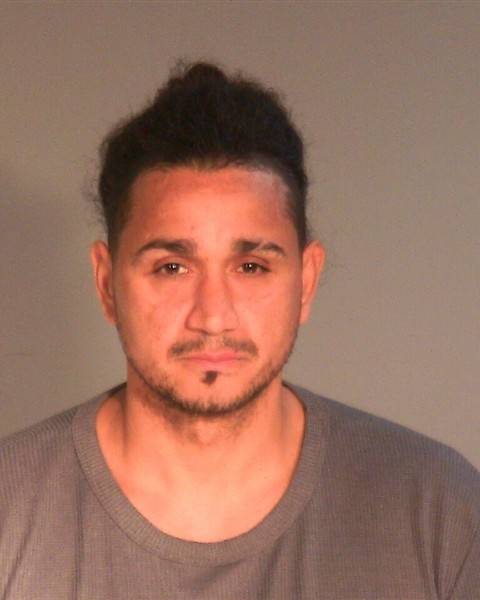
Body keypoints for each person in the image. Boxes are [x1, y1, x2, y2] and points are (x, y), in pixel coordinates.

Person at [1, 62, 479, 600]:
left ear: (306, 282)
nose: (213, 316)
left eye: (251, 267)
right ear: (107, 283)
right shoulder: (10, 513)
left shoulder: (441, 511)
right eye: (172, 268)